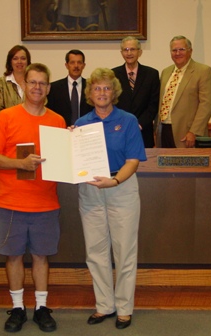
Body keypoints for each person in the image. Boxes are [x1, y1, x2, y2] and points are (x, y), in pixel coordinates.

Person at [0, 63, 66, 333]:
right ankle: (17, 308)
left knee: (41, 256)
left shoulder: (58, 121)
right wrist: (20, 164)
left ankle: (41, 308)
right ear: (24, 85)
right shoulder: (6, 117)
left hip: (45, 203)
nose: (37, 87)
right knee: (14, 256)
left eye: (42, 83)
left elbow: (64, 161)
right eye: (32, 82)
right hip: (10, 203)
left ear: (48, 88)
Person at [74, 68, 146, 330]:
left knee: (125, 250)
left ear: (114, 92)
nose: (102, 93)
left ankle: (125, 308)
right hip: (90, 189)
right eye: (97, 88)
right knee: (95, 250)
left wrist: (114, 181)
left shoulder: (127, 120)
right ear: (90, 94)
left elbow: (134, 160)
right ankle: (104, 305)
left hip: (121, 186)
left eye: (106, 88)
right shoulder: (80, 124)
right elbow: (74, 162)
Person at [156, 35, 211, 148]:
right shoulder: (166, 72)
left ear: (190, 51)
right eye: (174, 50)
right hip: (164, 130)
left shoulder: (203, 71)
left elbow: (206, 105)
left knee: (185, 165)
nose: (177, 53)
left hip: (187, 133)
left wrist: (194, 131)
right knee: (164, 165)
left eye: (181, 49)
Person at [112, 36, 160, 148]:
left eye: (132, 49)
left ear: (140, 52)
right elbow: (111, 103)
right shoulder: (112, 74)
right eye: (126, 50)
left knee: (145, 165)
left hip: (143, 132)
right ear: (121, 53)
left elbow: (153, 105)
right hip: (119, 130)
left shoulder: (152, 74)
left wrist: (138, 124)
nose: (129, 53)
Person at [46, 49, 90, 126]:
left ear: (84, 65)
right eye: (72, 62)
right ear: (66, 65)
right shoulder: (54, 88)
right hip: (61, 131)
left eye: (79, 62)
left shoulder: (91, 87)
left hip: (85, 132)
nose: (76, 66)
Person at [0, 45, 31, 119]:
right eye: (15, 59)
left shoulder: (34, 83)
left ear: (28, 61)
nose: (19, 62)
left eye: (23, 58)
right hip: (8, 128)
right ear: (10, 62)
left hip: (31, 127)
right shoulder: (1, 83)